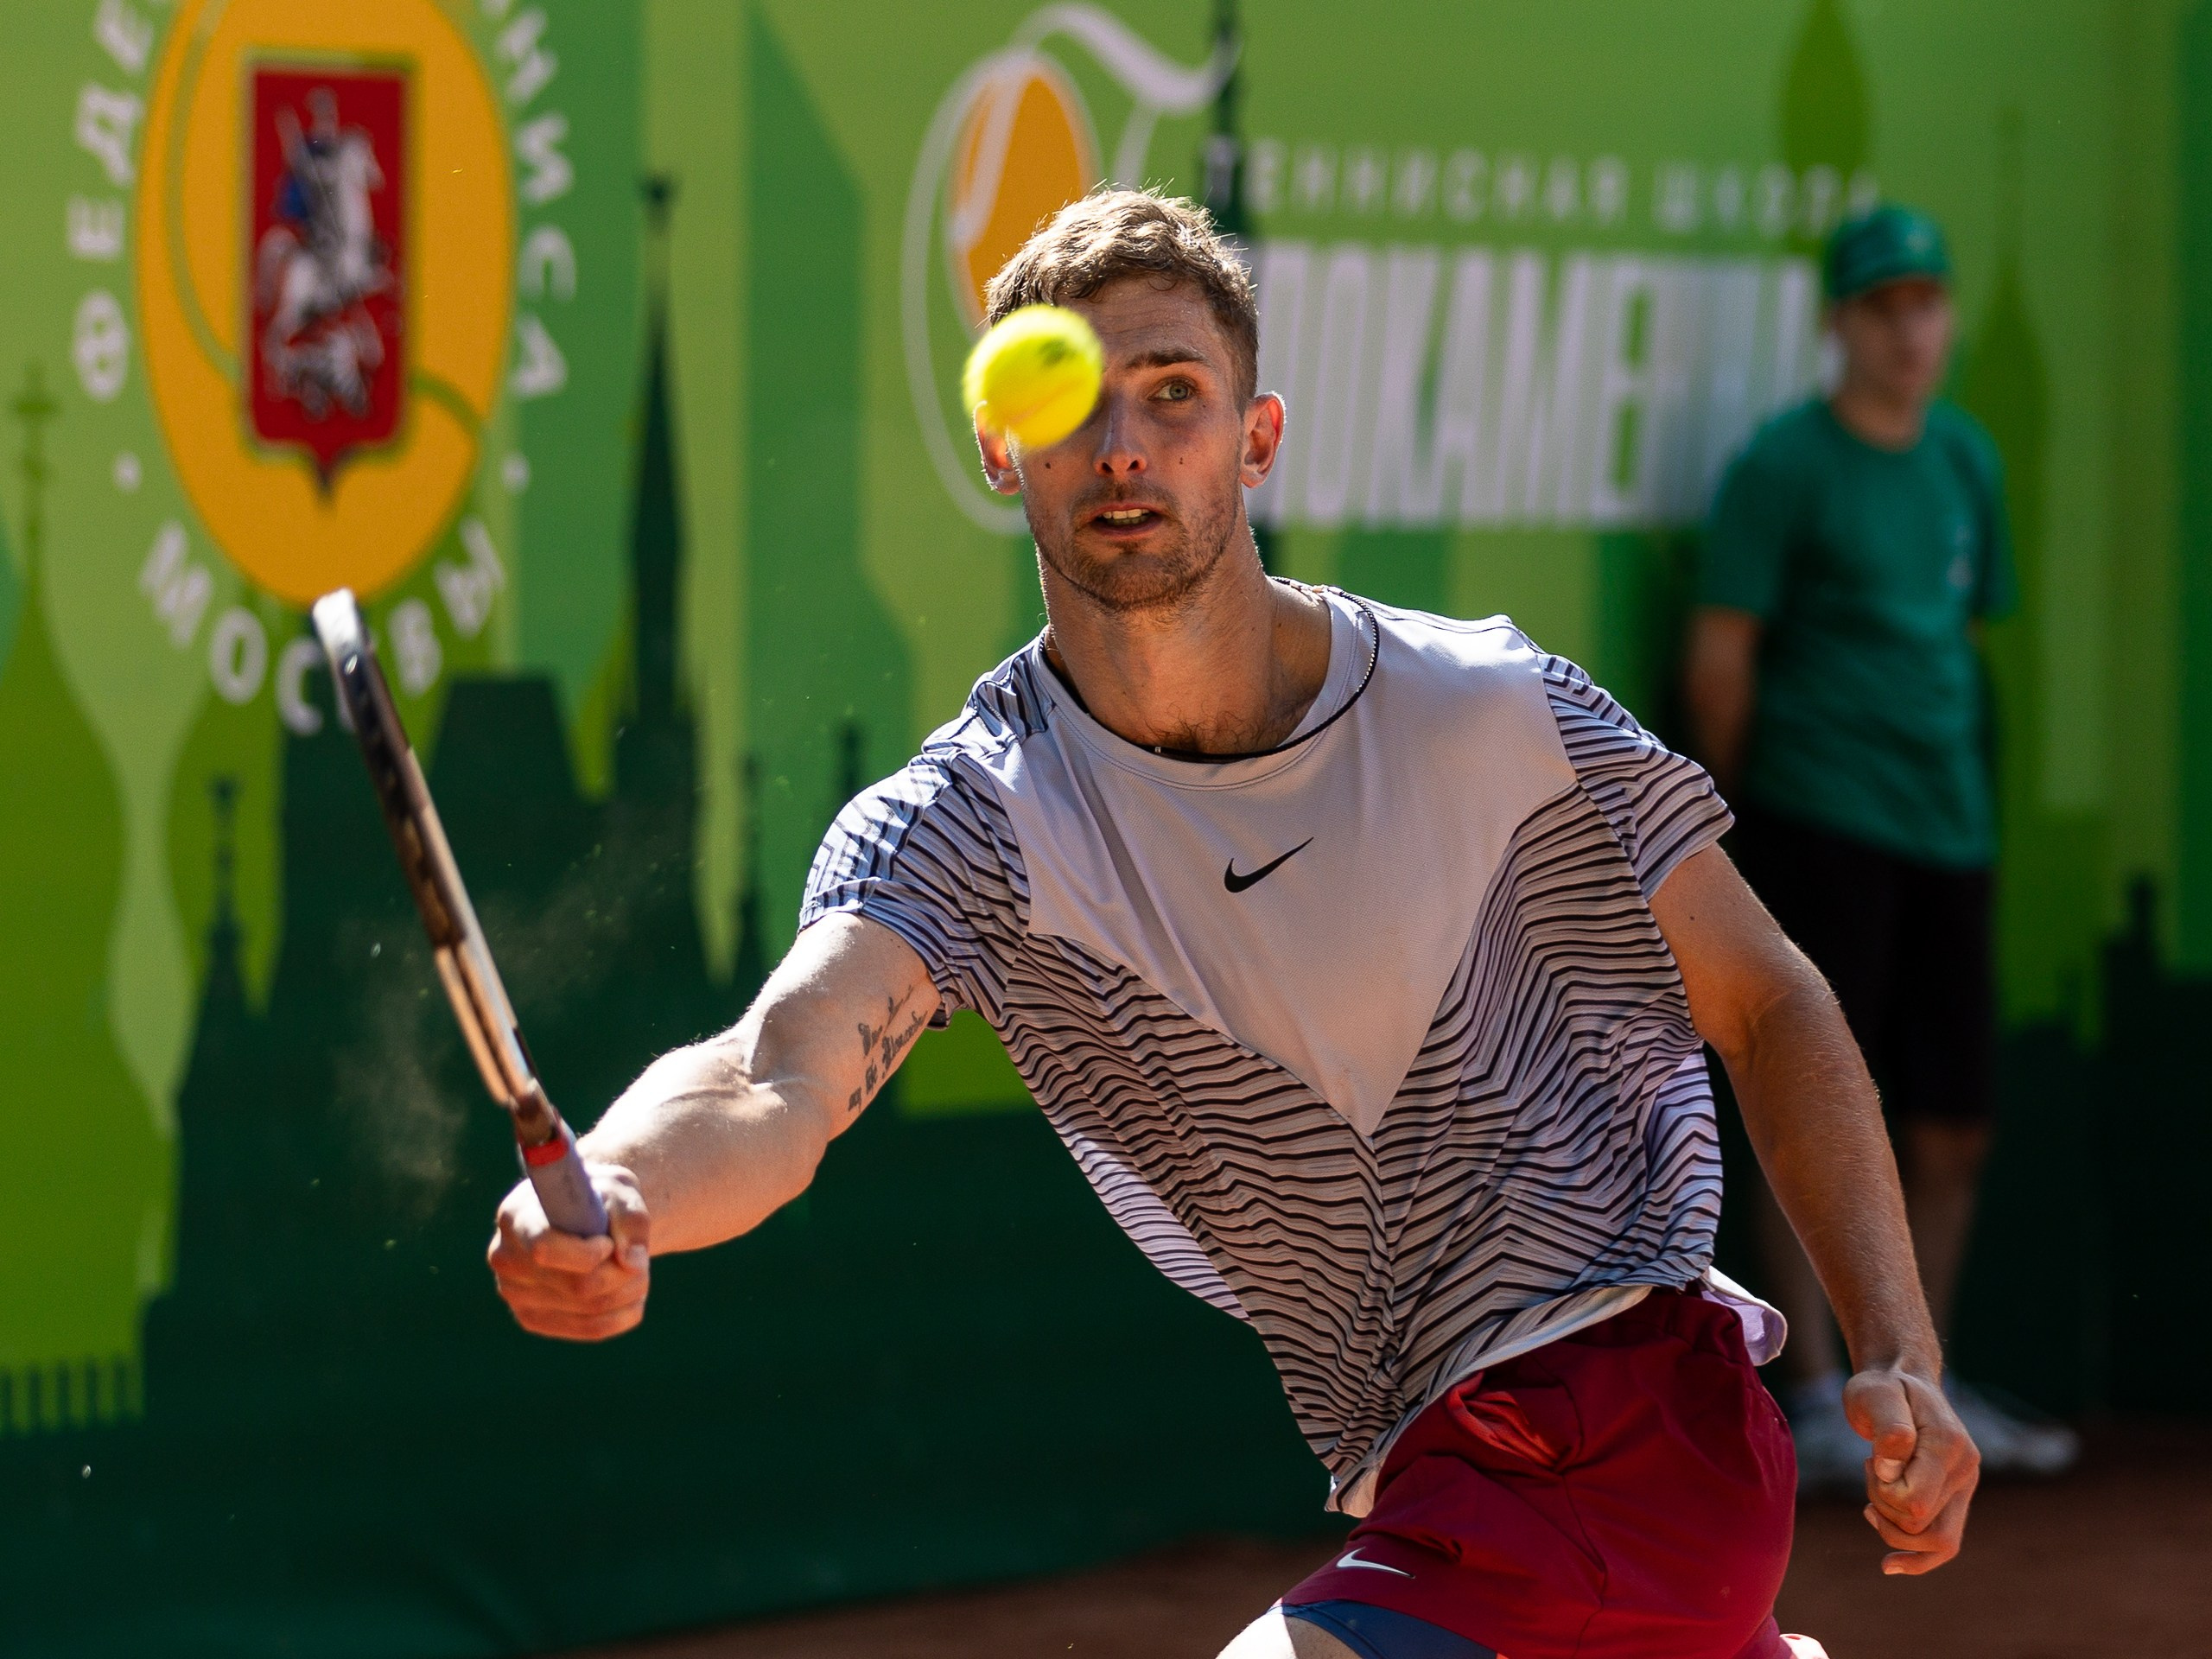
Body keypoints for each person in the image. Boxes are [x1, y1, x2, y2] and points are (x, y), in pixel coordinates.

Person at [490, 190, 1978, 1659]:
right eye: (1068, 401)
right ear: (1001, 451)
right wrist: (616, 1191)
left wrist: (1900, 1343)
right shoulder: (972, 829)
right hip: (1441, 1476)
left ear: (1255, 439)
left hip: (1627, 1411)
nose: (1124, 444)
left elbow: (1768, 997)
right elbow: (774, 1073)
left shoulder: (1488, 709)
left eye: (1175, 394)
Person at [1684, 204, 2077, 1491]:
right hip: (1818, 824)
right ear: (1840, 325)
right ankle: (1808, 1400)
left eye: (1929, 301)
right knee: (1807, 1104)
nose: (1912, 328)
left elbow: (1962, 651)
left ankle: (1924, 1386)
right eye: (1885, 306)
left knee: (1951, 1126)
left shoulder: (1966, 461)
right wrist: (1758, 817)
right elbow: (1721, 658)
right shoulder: (1783, 469)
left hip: (1946, 832)